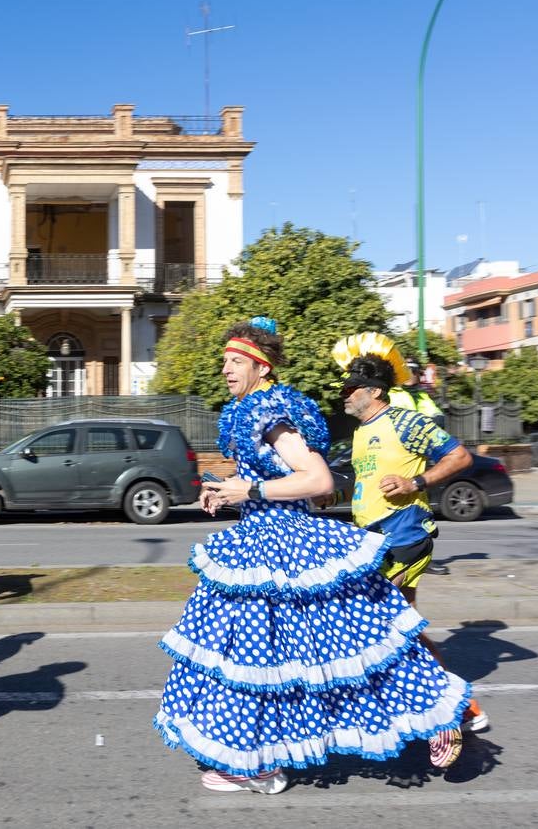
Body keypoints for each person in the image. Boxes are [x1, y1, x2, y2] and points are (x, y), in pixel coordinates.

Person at [154, 318, 470, 795]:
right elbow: (268, 484)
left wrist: (251, 488)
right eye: (224, 361)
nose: (225, 369)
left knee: (347, 642)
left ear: (261, 368)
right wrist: (229, 493)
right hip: (258, 539)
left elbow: (318, 481)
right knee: (266, 658)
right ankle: (261, 762)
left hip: (286, 544)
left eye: (234, 361)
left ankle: (440, 717)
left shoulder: (272, 412)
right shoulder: (250, 409)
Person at [336, 352, 489, 734]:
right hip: (373, 540)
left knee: (389, 624)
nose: (344, 394)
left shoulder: (405, 421)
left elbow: (458, 456)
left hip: (405, 535)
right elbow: (367, 481)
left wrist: (415, 483)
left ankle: (457, 707)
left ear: (374, 390)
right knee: (397, 627)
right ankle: (440, 705)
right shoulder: (360, 432)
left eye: (351, 388)